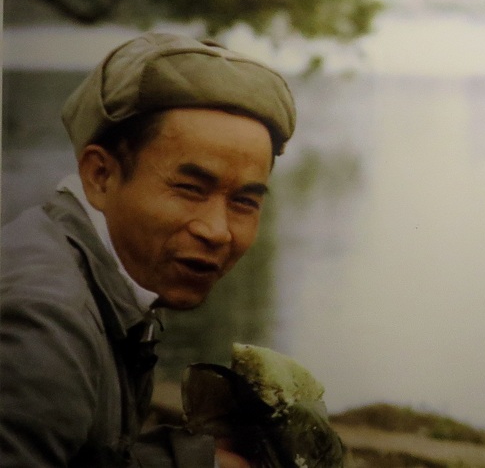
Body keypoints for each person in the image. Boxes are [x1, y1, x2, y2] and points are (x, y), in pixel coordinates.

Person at [0, 32, 297, 467]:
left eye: (244, 202)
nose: (217, 231)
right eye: (190, 188)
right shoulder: (45, 323)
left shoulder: (87, 265)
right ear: (100, 175)